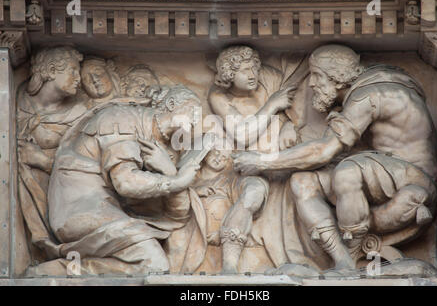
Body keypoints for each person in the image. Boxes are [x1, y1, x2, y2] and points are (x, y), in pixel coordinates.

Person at [233, 44, 437, 271]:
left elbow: (323, 151)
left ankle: (352, 252)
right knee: (303, 181)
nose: (311, 84)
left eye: (318, 77)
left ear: (337, 78)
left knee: (347, 170)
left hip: (413, 183)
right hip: (387, 177)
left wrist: (262, 161)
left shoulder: (368, 95)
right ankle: (343, 260)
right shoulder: (370, 88)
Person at [27, 85, 203, 275]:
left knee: (158, 262)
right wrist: (178, 181)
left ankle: (68, 270)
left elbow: (179, 216)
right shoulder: (121, 120)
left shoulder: (164, 150)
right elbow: (126, 183)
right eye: (192, 112)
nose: (195, 121)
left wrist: (169, 171)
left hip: (111, 212)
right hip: (78, 208)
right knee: (154, 263)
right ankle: (57, 271)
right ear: (171, 104)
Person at [208, 45, 303, 273]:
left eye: (254, 68)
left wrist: (290, 125)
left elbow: (297, 110)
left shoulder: (270, 78)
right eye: (243, 71)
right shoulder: (219, 96)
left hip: (286, 162)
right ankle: (229, 268)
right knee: (252, 195)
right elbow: (242, 134)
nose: (252, 75)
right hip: (248, 169)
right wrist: (271, 105)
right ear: (229, 75)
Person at [17, 46, 87, 260]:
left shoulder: (78, 113)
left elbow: (84, 167)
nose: (79, 78)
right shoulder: (15, 97)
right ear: (51, 71)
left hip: (61, 196)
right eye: (73, 71)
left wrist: (41, 159)